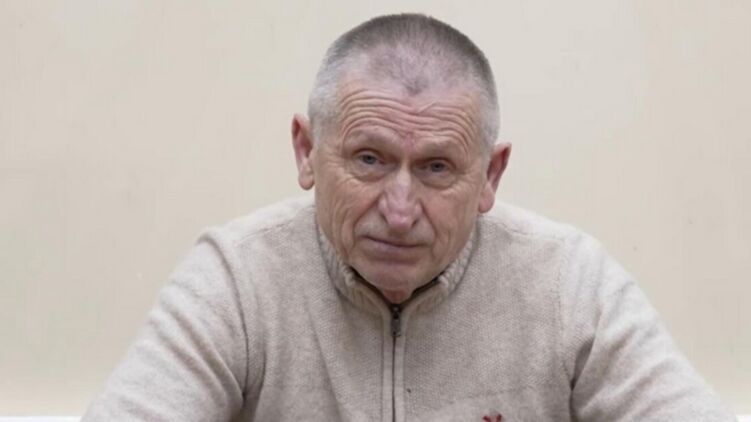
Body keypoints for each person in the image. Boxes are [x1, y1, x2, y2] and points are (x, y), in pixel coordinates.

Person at [83, 13, 734, 421]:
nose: (399, 212)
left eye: (436, 168)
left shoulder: (570, 284)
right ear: (307, 152)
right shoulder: (236, 279)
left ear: (490, 176)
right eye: (369, 160)